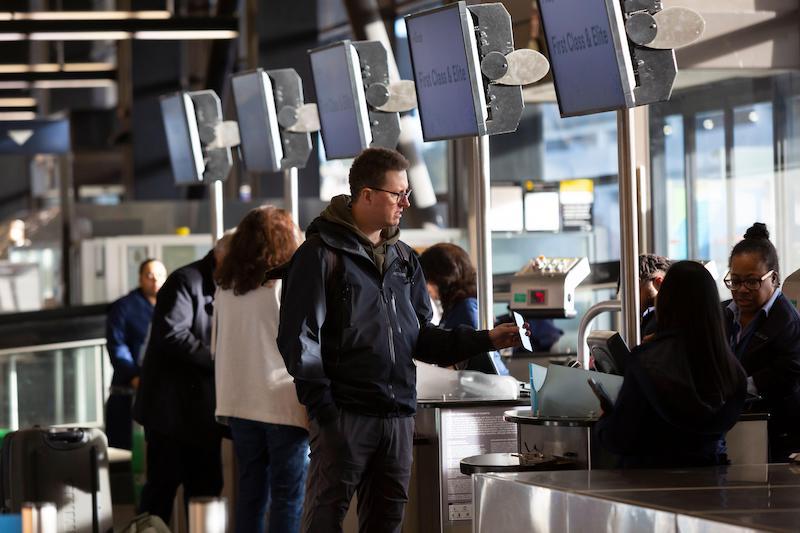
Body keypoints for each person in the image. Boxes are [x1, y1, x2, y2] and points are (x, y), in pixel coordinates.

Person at [277, 147, 527, 533]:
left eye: (407, 193)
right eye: (397, 193)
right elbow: (300, 341)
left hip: (396, 417)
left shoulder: (405, 259)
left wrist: (486, 340)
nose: (406, 202)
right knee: (324, 522)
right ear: (367, 195)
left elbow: (423, 339)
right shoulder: (320, 255)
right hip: (344, 415)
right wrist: (325, 413)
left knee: (387, 524)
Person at [596, 260, 746, 468]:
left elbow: (621, 438)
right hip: (709, 486)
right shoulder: (732, 371)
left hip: (648, 487)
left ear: (665, 301)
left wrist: (604, 421)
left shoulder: (646, 362)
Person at [213, 206, 308, 533]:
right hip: (283, 403)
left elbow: (216, 348)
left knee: (251, 493)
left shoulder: (225, 288)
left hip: (239, 403)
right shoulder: (285, 285)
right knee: (287, 496)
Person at [133, 235, 232, 523]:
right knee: (161, 491)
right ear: (220, 257)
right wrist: (219, 360)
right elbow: (173, 335)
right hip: (170, 414)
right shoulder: (184, 281)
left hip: (201, 415)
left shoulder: (219, 284)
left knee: (205, 490)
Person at [723, 222, 800, 462]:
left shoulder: (788, 322)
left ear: (773, 278)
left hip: (776, 435)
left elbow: (788, 373)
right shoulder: (722, 313)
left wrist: (736, 388)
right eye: (735, 281)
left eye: (752, 281)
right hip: (730, 428)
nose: (741, 290)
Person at [104, 258, 166, 450]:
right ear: (140, 278)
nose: (155, 281)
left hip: (161, 392)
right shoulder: (124, 307)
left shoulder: (171, 305)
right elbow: (117, 345)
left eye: (160, 276)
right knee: (126, 450)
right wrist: (133, 376)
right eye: (149, 276)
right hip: (128, 391)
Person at [419, 242, 508, 374]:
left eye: (427, 280)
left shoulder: (467, 307)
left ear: (442, 277)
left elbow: (471, 357)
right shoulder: (455, 307)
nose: (426, 287)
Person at [637, 254, 672, 338]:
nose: (630, 298)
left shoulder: (657, 323)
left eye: (636, 289)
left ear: (659, 282)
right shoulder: (650, 318)